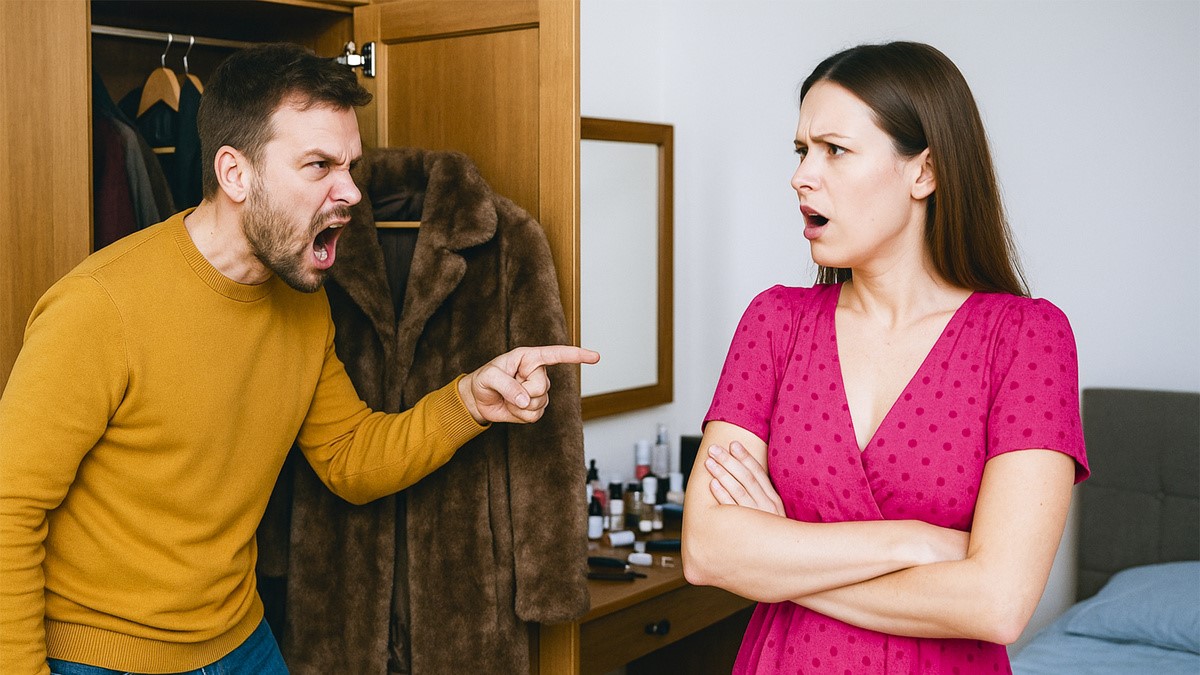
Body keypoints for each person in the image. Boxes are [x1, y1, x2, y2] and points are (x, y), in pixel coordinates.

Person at [0, 43, 598, 675]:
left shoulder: (302, 302)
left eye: (351, 166)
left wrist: (468, 400)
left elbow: (348, 455)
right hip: (104, 658)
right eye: (319, 166)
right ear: (235, 174)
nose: (353, 192)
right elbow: (9, 506)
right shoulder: (98, 308)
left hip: (240, 641)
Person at [681, 41, 1088, 674]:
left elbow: (997, 604)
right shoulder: (776, 322)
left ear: (924, 172)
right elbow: (708, 552)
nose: (801, 176)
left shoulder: (1025, 338)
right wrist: (913, 542)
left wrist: (778, 558)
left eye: (835, 150)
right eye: (801, 150)